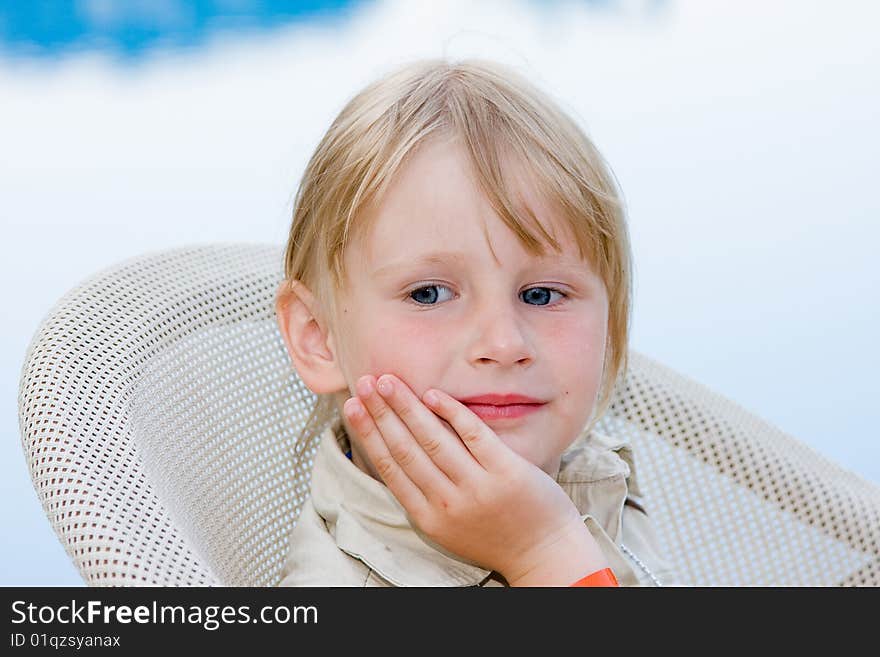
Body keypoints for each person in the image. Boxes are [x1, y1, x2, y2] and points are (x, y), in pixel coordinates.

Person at [274, 58, 679, 586]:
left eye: (541, 294)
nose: (504, 343)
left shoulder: (589, 473)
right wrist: (544, 554)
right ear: (318, 338)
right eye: (430, 293)